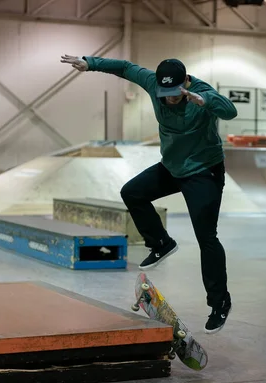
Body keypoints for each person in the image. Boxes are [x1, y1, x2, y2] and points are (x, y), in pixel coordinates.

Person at [60, 54, 237, 334]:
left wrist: (208, 102)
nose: (169, 100)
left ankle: (220, 303)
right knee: (132, 192)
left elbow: (230, 112)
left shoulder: (202, 94)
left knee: (207, 237)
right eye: (164, 95)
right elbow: (126, 68)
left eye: (175, 95)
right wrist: (89, 63)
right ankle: (161, 242)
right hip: (171, 167)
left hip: (203, 171)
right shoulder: (153, 83)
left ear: (186, 83)